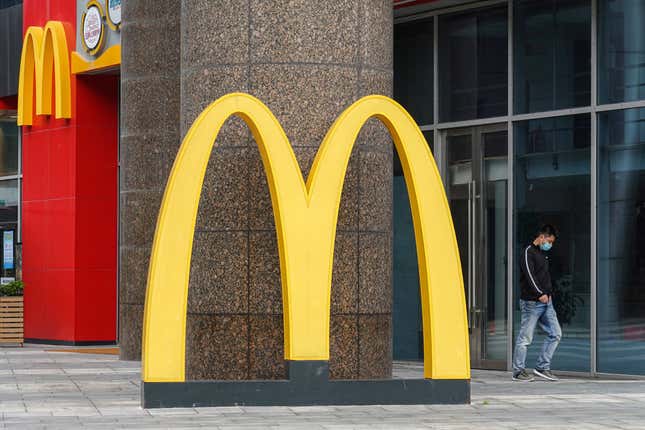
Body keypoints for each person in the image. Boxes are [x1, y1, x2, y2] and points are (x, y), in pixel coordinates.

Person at [512, 224, 562, 382]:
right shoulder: (528, 252)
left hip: (547, 302)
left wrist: (547, 295)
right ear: (541, 237)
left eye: (552, 242)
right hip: (532, 303)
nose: (550, 245)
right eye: (549, 241)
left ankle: (542, 367)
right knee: (525, 337)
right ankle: (518, 371)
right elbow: (530, 276)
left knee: (556, 333)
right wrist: (539, 294)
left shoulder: (542, 254)